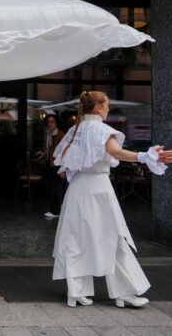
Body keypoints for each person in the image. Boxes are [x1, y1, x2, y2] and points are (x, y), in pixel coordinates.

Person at [52, 90, 172, 308]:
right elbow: (117, 153)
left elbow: (61, 166)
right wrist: (145, 156)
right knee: (114, 238)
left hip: (77, 189)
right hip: (98, 189)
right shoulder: (102, 130)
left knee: (76, 239)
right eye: (107, 106)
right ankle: (124, 292)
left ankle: (76, 292)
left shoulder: (74, 130)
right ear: (99, 108)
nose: (108, 110)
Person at [35, 114, 66, 219]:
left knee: (56, 187)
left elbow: (63, 150)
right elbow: (48, 148)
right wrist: (42, 153)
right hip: (49, 163)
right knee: (48, 185)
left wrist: (63, 167)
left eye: (52, 122)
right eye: (48, 122)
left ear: (56, 123)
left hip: (57, 163)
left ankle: (56, 211)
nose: (49, 124)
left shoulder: (60, 135)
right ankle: (56, 208)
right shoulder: (48, 134)